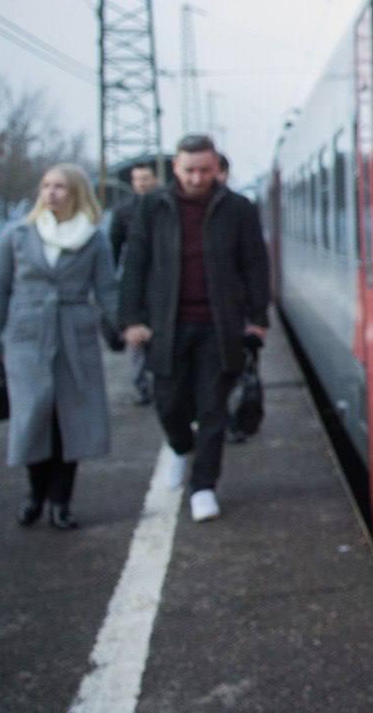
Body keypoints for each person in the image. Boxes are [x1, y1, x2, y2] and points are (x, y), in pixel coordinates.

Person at [119, 134, 270, 522]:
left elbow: (255, 264)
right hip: (166, 325)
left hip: (220, 326)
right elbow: (135, 264)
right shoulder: (154, 207)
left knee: (212, 408)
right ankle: (179, 445)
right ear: (175, 168)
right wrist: (132, 319)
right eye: (190, 171)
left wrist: (258, 318)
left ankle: (203, 486)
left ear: (216, 167)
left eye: (205, 170)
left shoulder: (238, 208)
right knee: (169, 404)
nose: (198, 178)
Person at [0, 164, 118, 530]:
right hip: (26, 339)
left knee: (70, 422)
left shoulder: (93, 237)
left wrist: (129, 326)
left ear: (76, 193)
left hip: (76, 336)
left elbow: (107, 291)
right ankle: (34, 495)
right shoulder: (17, 234)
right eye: (46, 186)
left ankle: (61, 502)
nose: (51, 193)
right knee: (33, 418)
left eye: (60, 187)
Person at [109, 161, 159, 405]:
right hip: (136, 279)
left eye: (146, 178)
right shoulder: (123, 211)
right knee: (137, 334)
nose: (142, 183)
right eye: (138, 179)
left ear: (155, 180)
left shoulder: (166, 205)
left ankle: (159, 381)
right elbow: (114, 247)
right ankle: (141, 386)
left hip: (163, 278)